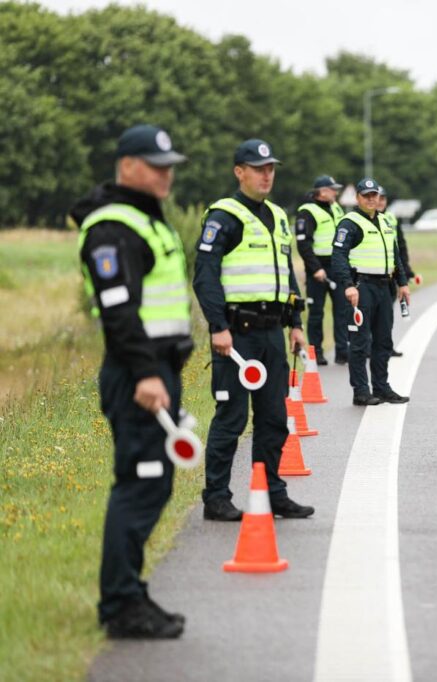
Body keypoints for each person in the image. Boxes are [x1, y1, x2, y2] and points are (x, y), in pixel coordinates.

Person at [73, 124, 191, 638]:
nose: (166, 175)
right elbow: (118, 312)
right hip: (136, 375)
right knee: (139, 486)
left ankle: (132, 593)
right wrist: (146, 374)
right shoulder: (113, 227)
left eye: (169, 165)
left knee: (155, 483)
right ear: (127, 166)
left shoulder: (145, 219)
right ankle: (120, 606)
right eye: (155, 165)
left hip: (157, 371)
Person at [192, 139, 314, 521]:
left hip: (271, 334)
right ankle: (216, 498)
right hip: (236, 334)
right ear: (239, 172)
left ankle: (273, 493)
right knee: (231, 417)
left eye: (271, 168)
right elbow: (204, 276)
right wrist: (218, 327)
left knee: (274, 418)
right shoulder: (224, 216)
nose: (266, 175)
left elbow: (286, 277)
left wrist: (295, 322)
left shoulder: (278, 216)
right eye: (258, 168)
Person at [330, 177, 411, 406]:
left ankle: (382, 388)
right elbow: (338, 256)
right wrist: (347, 285)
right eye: (366, 196)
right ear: (357, 198)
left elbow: (395, 256)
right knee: (360, 342)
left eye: (374, 195)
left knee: (384, 340)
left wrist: (403, 283)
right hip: (361, 287)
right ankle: (361, 391)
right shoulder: (350, 223)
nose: (371, 199)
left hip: (385, 288)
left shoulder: (385, 221)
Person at [295, 175, 351, 365]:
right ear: (322, 191)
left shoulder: (336, 207)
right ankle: (316, 352)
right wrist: (315, 269)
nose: (336, 192)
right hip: (318, 269)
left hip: (337, 266)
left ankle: (342, 351)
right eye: (333, 189)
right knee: (317, 313)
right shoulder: (307, 212)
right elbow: (303, 245)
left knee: (342, 311)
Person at [378, 186, 415, 358]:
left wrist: (405, 271)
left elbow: (400, 245)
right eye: (377, 198)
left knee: (387, 313)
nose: (379, 201)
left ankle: (387, 346)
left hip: (391, 272)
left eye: (383, 198)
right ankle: (371, 347)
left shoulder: (390, 218)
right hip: (371, 274)